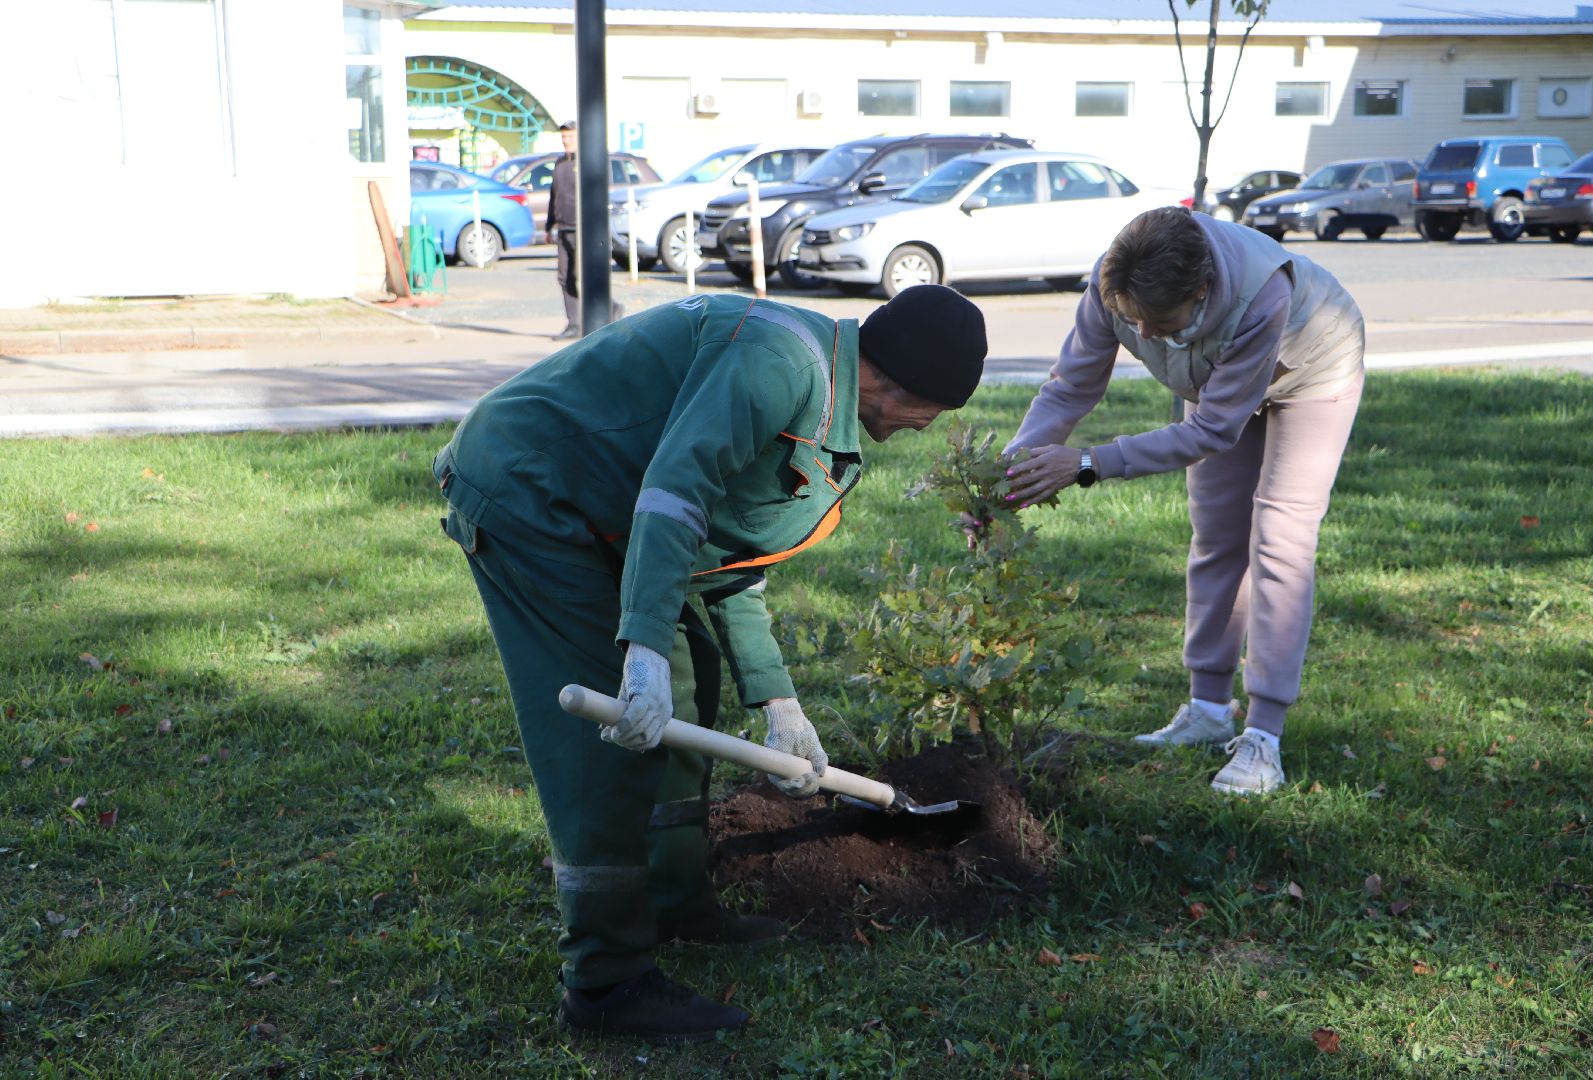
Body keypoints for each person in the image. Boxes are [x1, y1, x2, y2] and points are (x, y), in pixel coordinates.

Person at [432, 285, 987, 1041]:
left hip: (605, 509)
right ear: (898, 384)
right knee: (611, 736)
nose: (929, 427)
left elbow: (726, 559)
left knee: (693, 680)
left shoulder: (827, 399)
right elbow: (675, 493)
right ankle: (605, 982)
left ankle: (672, 898)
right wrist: (641, 650)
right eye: (936, 411)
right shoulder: (778, 364)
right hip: (534, 490)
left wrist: (778, 704)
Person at [1004, 205, 1364, 796]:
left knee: (1280, 539)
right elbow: (1070, 388)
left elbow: (1213, 431)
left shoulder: (1261, 297)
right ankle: (1207, 709)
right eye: (1129, 319)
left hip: (1313, 368)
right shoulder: (1114, 285)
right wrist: (1006, 477)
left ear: (1201, 292)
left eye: (1157, 322)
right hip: (1223, 382)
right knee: (1218, 537)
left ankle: (1263, 737)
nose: (1141, 334)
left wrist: (1089, 463)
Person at [544, 121, 581, 339]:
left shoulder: (585, 163)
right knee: (564, 276)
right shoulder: (560, 163)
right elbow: (553, 196)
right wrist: (549, 225)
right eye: (564, 137)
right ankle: (573, 323)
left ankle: (609, 308)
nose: (566, 141)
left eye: (570, 137)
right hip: (563, 229)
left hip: (581, 228)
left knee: (581, 275)